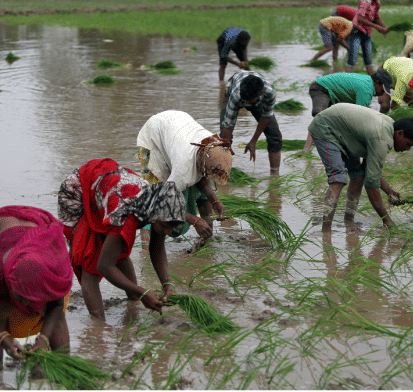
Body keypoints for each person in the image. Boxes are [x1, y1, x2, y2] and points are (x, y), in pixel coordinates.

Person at [57, 158, 186, 321]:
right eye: (165, 225)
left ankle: (132, 305)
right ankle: (98, 325)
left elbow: (157, 248)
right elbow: (104, 266)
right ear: (155, 215)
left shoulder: (158, 205)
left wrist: (167, 283)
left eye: (171, 226)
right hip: (79, 192)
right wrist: (142, 292)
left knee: (117, 250)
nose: (167, 231)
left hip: (106, 187)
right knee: (89, 263)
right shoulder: (126, 216)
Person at [0, 206, 74, 372]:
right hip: (5, 228)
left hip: (40, 229)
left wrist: (44, 338)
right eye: (21, 297)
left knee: (57, 318)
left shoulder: (53, 273)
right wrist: (2, 337)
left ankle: (63, 369)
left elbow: (56, 306)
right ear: (11, 282)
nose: (26, 305)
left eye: (32, 299)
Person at [307, 103, 413, 232]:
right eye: (408, 144)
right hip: (325, 128)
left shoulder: (390, 128)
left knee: (358, 176)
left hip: (344, 132)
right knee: (338, 178)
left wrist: (389, 191)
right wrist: (387, 220)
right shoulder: (382, 139)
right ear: (400, 133)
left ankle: (348, 221)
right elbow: (371, 185)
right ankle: (326, 231)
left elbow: (372, 171)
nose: (407, 149)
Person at [137, 110, 233, 242]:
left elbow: (202, 178)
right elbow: (165, 202)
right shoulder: (183, 170)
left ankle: (207, 239)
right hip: (154, 136)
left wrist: (215, 200)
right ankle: (145, 249)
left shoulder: (213, 145)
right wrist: (195, 220)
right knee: (155, 196)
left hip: (176, 126)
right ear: (201, 166)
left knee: (203, 194)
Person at [302, 70, 394, 152]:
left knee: (331, 122)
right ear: (377, 83)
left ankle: (332, 148)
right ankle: (306, 150)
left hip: (333, 93)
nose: (383, 93)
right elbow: (358, 118)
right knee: (319, 118)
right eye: (383, 89)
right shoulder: (366, 90)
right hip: (321, 87)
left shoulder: (367, 82)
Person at [220, 71, 283, 175]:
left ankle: (275, 175)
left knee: (275, 136)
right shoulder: (236, 94)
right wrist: (225, 150)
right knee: (224, 138)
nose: (245, 104)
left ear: (261, 94)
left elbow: (266, 116)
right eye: (244, 100)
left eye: (248, 101)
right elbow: (228, 125)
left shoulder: (269, 93)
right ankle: (223, 172)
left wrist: (253, 141)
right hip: (232, 93)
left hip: (257, 101)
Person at [345, 0, 388, 75]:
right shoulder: (365, 2)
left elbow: (376, 18)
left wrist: (384, 27)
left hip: (367, 31)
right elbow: (359, 18)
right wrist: (376, 26)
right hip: (357, 30)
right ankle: (343, 82)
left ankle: (373, 83)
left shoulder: (377, 3)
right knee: (352, 59)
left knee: (368, 60)